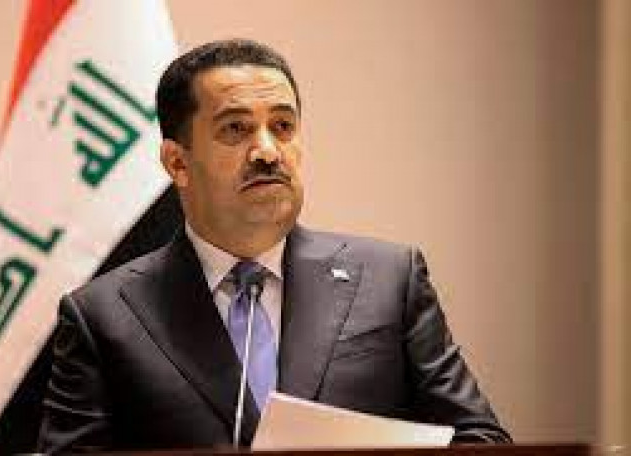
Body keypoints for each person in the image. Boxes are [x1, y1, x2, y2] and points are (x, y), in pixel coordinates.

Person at [38, 38, 512, 452]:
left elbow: (481, 441)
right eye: (235, 129)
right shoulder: (102, 317)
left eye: (283, 126)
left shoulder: (390, 280)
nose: (267, 151)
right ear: (177, 163)